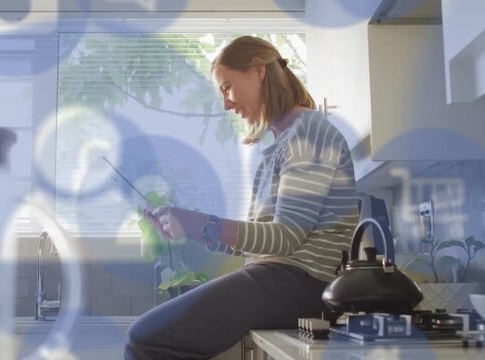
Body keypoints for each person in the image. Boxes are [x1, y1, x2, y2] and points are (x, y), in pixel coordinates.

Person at [124, 35, 359, 360]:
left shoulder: (309, 131)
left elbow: (286, 239)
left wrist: (204, 224)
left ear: (258, 71)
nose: (226, 105)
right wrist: (193, 228)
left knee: (145, 339)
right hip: (284, 278)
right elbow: (264, 240)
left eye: (227, 88)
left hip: (302, 282)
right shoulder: (279, 147)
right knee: (148, 337)